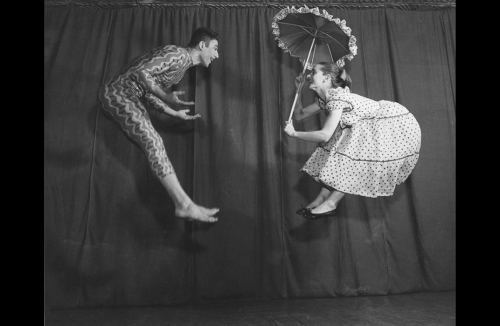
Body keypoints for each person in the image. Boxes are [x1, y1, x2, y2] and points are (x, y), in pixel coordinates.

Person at [99, 27, 220, 223]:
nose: (216, 54)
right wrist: (166, 97)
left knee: (154, 142)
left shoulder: (181, 68)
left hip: (130, 96)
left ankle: (185, 205)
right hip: (117, 93)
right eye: (214, 48)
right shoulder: (177, 54)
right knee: (153, 142)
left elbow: (146, 91)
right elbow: (140, 73)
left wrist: (174, 113)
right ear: (202, 45)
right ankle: (184, 205)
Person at [283, 62, 421, 220]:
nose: (309, 76)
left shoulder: (338, 97)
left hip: (390, 125)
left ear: (326, 78)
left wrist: (295, 134)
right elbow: (300, 114)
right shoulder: (328, 98)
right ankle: (321, 199)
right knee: (338, 155)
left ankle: (330, 203)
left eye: (313, 72)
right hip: (369, 126)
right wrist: (298, 90)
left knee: (352, 154)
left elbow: (325, 135)